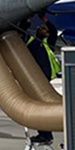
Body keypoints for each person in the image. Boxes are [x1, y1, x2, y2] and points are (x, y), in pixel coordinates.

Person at [27, 14, 60, 143]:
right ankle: (44, 134)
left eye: (45, 29)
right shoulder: (32, 43)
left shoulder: (48, 44)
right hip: (36, 78)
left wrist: (45, 20)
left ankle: (45, 134)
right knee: (39, 105)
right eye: (42, 29)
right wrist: (28, 21)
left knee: (42, 105)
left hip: (44, 78)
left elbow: (54, 31)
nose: (44, 31)